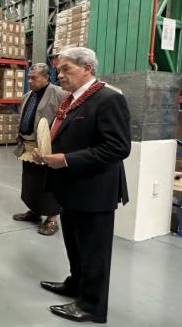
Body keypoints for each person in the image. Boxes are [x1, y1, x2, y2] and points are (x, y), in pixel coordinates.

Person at [33, 47, 131, 323]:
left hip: (95, 190)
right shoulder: (71, 100)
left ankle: (92, 305)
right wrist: (46, 151)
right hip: (72, 188)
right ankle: (76, 284)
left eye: (66, 69)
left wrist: (65, 160)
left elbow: (117, 148)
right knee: (75, 245)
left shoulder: (108, 99)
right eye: (58, 70)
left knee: (93, 250)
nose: (59, 74)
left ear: (87, 68)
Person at [12, 63, 68, 236]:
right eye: (29, 77)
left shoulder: (59, 93)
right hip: (28, 147)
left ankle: (52, 219)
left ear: (46, 77)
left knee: (48, 182)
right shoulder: (28, 95)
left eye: (34, 77)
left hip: (48, 147)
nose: (30, 80)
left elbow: (64, 121)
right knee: (31, 181)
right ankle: (34, 211)